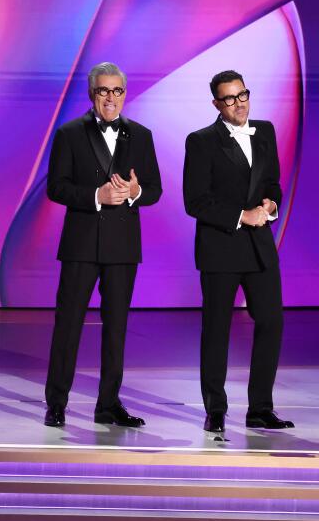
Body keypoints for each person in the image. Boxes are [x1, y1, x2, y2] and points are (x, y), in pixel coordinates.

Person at [42, 62, 162, 427]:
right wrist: (98, 194)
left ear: (125, 94)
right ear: (93, 93)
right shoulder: (70, 133)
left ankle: (108, 404)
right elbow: (56, 187)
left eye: (117, 91)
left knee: (117, 327)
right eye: (104, 91)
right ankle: (57, 403)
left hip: (123, 246)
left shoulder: (140, 135)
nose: (111, 98)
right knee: (69, 325)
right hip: (81, 244)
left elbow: (154, 189)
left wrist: (135, 191)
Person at [182, 70, 294, 434]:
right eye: (229, 99)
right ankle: (215, 408)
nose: (239, 103)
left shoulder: (265, 131)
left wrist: (270, 206)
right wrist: (241, 216)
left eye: (242, 95)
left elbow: (273, 183)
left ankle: (260, 407)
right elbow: (195, 201)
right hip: (221, 247)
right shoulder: (201, 141)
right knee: (216, 330)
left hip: (259, 246)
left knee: (271, 322)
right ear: (217, 104)